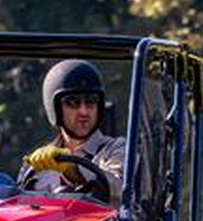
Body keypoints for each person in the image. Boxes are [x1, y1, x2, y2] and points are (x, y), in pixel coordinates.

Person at [22, 59, 125, 205]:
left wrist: (73, 169)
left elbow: (119, 188)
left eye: (91, 101)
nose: (83, 111)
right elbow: (19, 208)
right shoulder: (40, 162)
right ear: (55, 109)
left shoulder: (118, 150)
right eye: (72, 102)